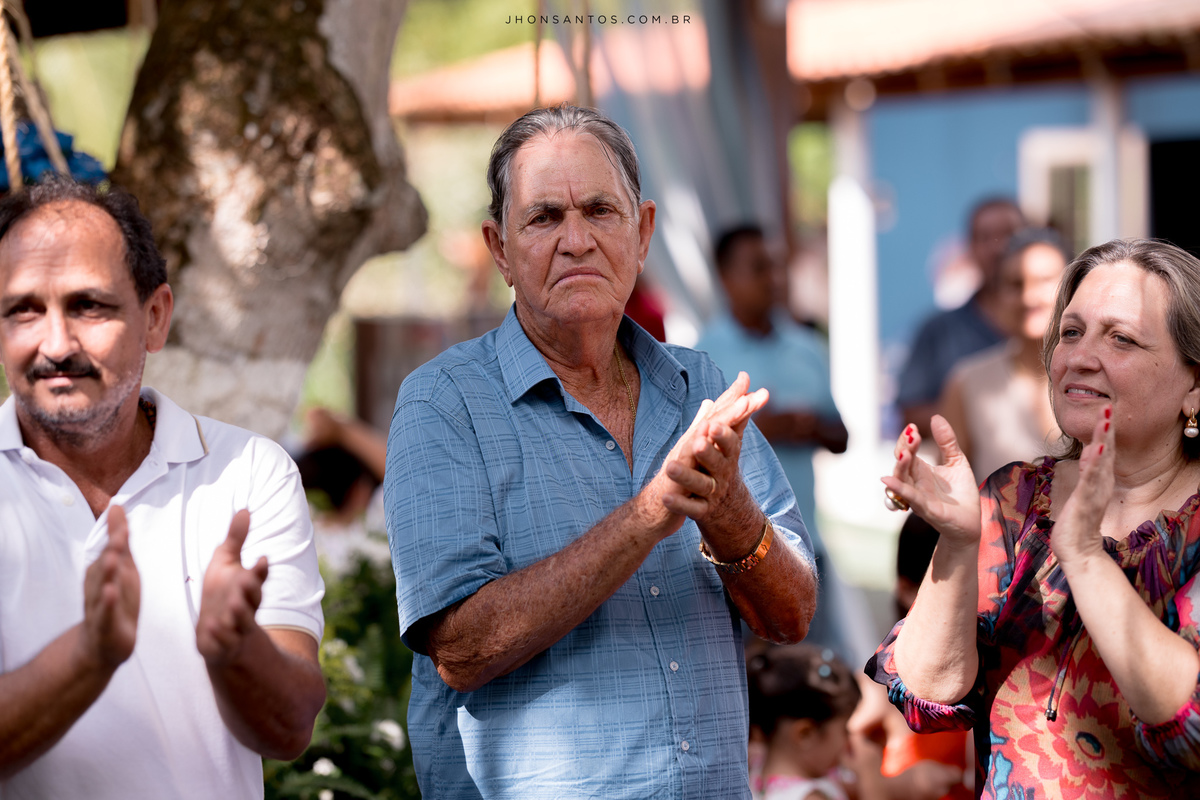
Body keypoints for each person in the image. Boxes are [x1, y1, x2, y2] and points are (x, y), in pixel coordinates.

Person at [385, 105, 818, 799]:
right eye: (544, 217)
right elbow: (461, 651)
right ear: (500, 248)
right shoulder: (444, 402)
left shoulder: (699, 387)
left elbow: (791, 616)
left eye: (599, 211)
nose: (577, 241)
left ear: (641, 234)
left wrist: (727, 508)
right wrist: (648, 515)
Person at [0, 178, 326, 798]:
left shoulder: (248, 473)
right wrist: (89, 655)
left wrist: (236, 650)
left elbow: (290, 731)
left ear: (154, 318)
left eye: (88, 306)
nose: (56, 344)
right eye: (24, 310)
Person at [872, 239, 1200, 797]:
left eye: (1120, 338)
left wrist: (1086, 559)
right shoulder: (1015, 499)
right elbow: (929, 694)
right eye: (1071, 332)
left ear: (1194, 385)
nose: (1079, 357)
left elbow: (1191, 727)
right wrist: (957, 543)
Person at [697, 226, 864, 663]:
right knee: (749, 679)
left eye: (776, 266)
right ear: (726, 277)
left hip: (804, 543)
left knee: (812, 673)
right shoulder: (702, 356)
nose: (772, 278)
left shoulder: (806, 348)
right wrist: (757, 427)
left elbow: (841, 436)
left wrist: (806, 426)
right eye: (758, 268)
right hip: (733, 554)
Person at [849, 515, 970, 800]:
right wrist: (896, 787)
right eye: (954, 591)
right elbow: (822, 770)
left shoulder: (998, 676)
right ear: (906, 590)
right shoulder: (876, 692)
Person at [939, 229, 1069, 478]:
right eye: (1015, 284)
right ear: (997, 296)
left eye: (1044, 281)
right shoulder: (968, 383)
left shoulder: (1097, 374)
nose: (1029, 297)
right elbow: (949, 485)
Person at [897, 198, 1024, 439]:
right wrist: (975, 415)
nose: (998, 249)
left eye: (1009, 235)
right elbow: (910, 414)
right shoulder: (938, 332)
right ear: (970, 248)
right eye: (985, 238)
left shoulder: (1055, 327)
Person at [748, 644, 862, 800]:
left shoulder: (756, 765)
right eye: (845, 730)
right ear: (805, 734)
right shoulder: (812, 797)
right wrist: (870, 779)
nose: (850, 740)